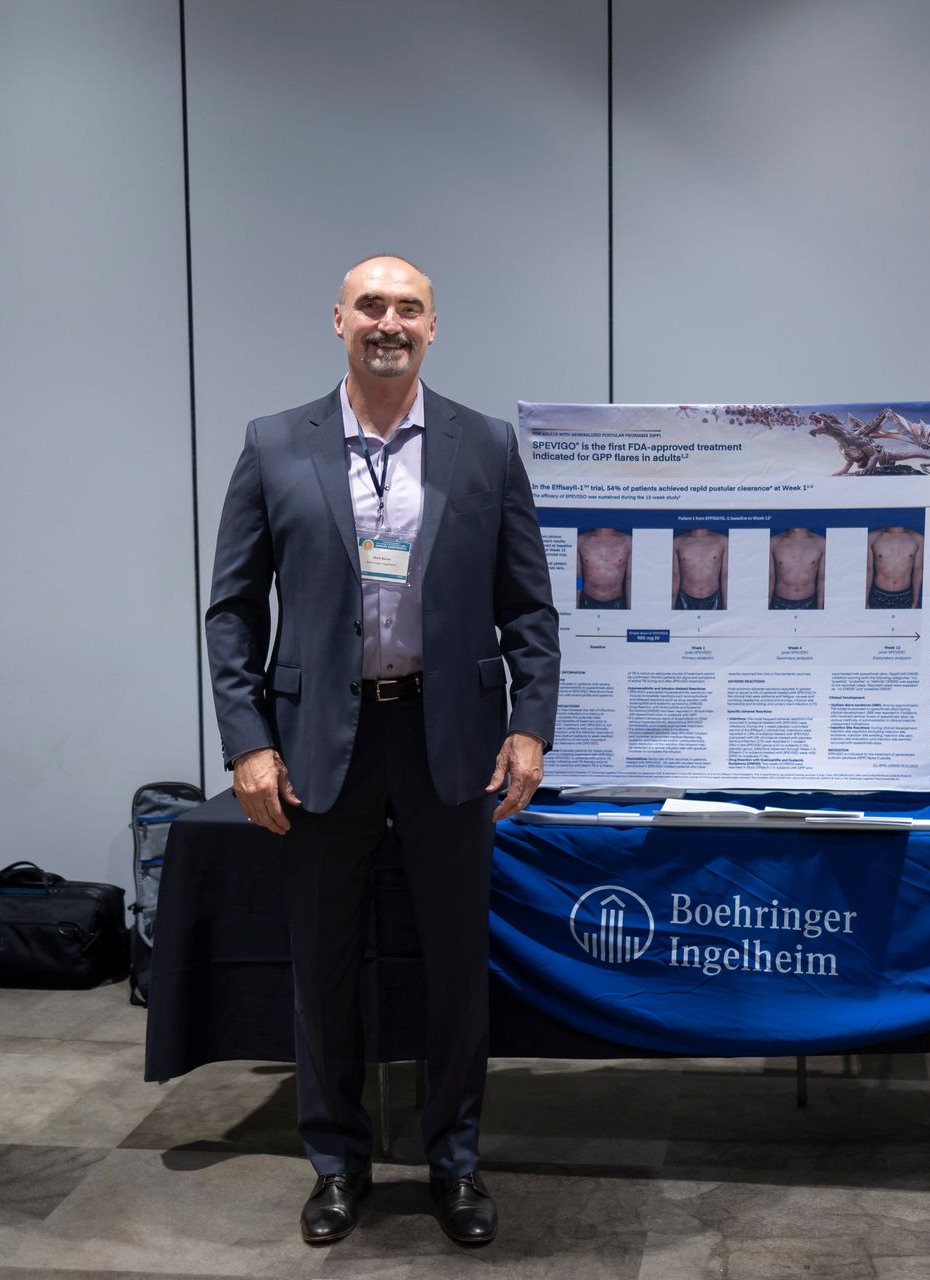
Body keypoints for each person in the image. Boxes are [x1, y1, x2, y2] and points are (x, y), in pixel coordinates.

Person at [205, 254, 558, 1250]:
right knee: (323, 963)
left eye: (408, 307)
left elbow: (528, 606)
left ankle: (456, 1162)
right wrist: (248, 743)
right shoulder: (275, 443)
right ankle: (337, 1163)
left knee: (455, 964)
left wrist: (530, 724)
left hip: (451, 739)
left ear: (434, 327)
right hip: (320, 742)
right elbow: (233, 611)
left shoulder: (485, 446)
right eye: (372, 305)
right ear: (339, 320)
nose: (389, 322)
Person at [867, 525, 924, 608]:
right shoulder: (872, 538)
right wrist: (865, 600)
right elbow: (868, 570)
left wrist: (915, 601)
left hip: (905, 596)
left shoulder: (918, 539)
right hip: (879, 594)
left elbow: (918, 571)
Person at [768, 528, 825, 609]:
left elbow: (822, 580)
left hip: (810, 603)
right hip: (779, 603)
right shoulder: (773, 542)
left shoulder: (821, 543)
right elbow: (770, 579)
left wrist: (820, 610)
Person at [672, 528, 729, 609]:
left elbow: (725, 576)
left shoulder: (723, 541)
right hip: (684, 600)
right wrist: (672, 606)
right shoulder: (677, 542)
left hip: (714, 599)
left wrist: (726, 605)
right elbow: (675, 577)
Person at [576, 527, 632, 608]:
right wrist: (576, 604)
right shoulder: (581, 541)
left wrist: (630, 608)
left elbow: (630, 579)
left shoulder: (627, 542)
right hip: (587, 601)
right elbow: (578, 578)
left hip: (617, 603)